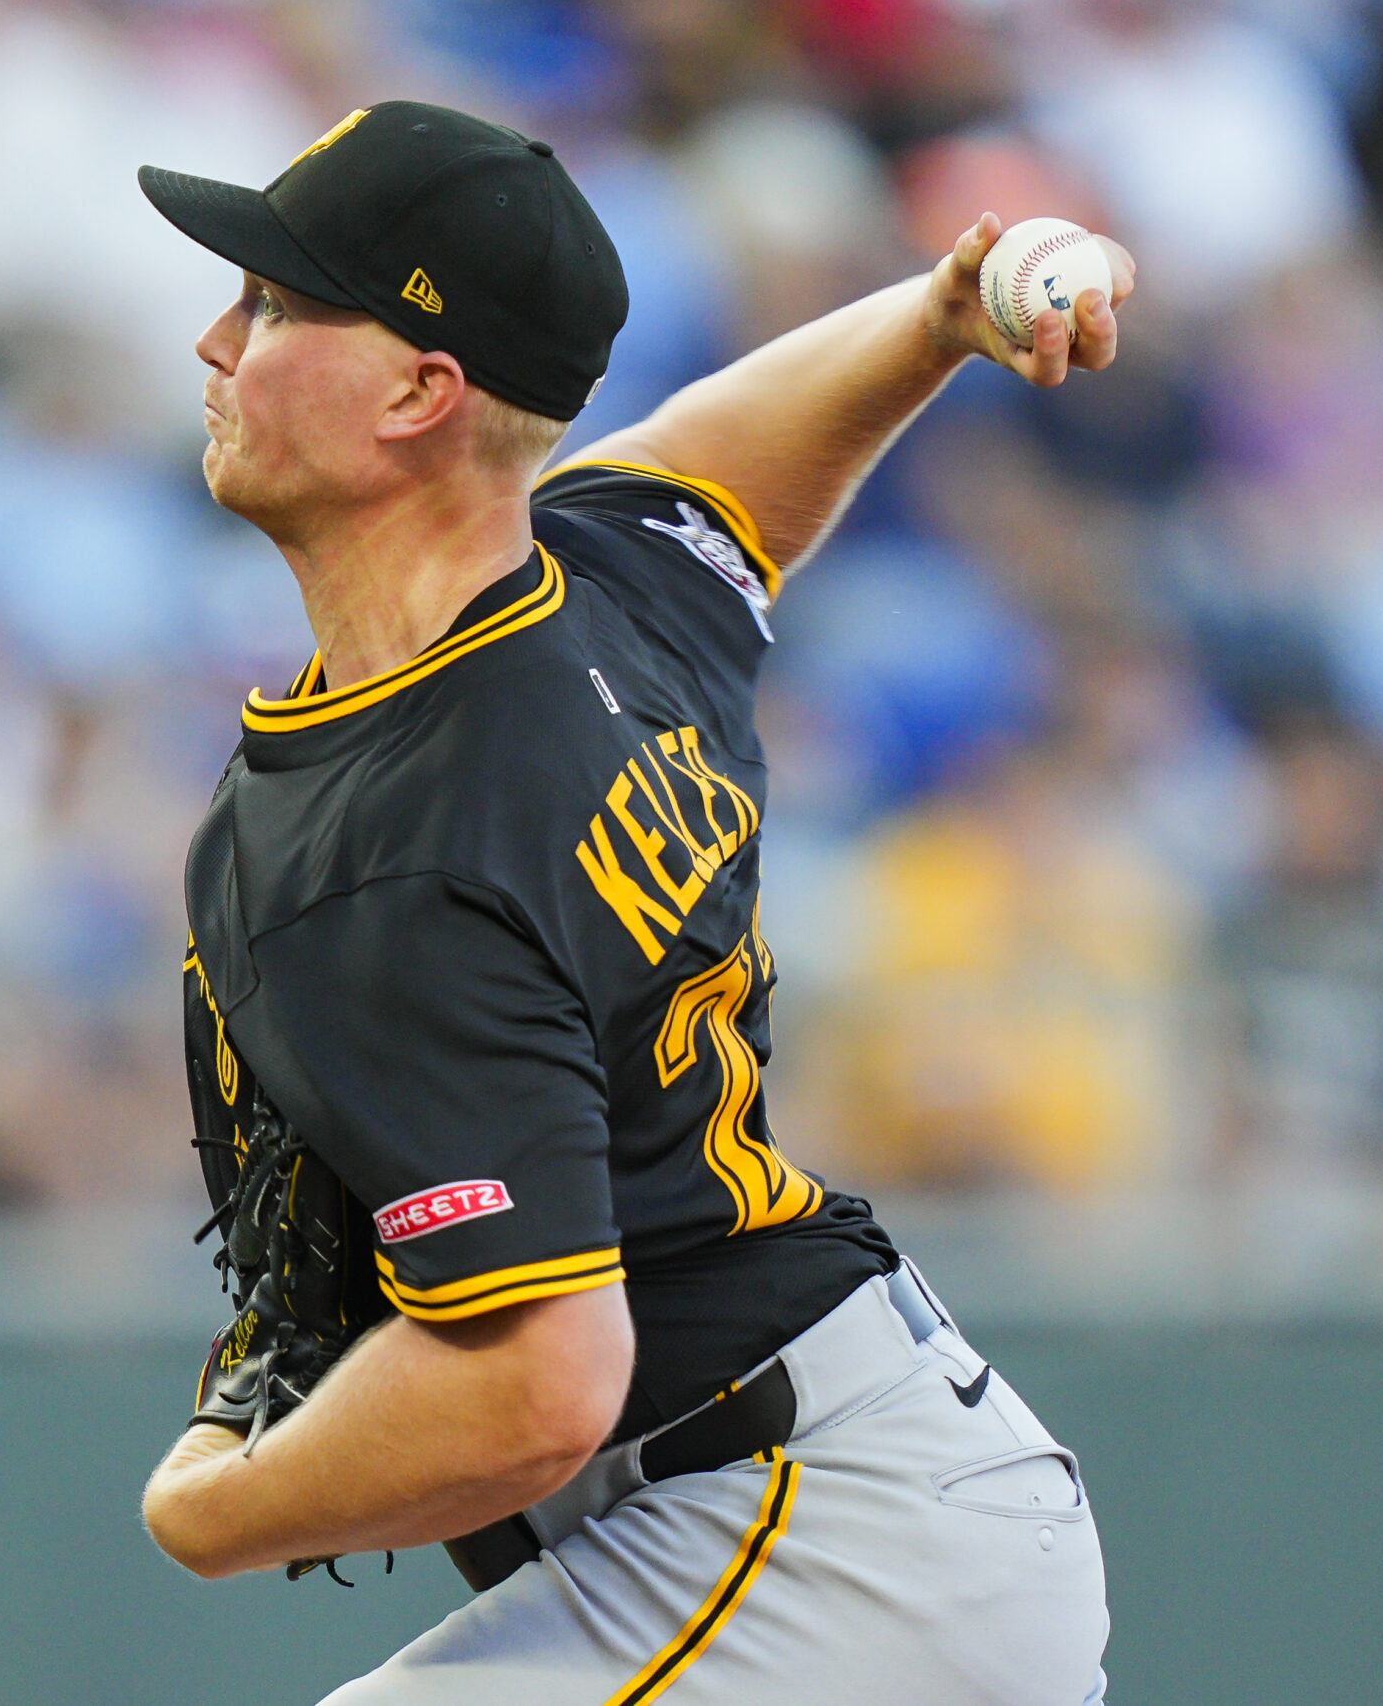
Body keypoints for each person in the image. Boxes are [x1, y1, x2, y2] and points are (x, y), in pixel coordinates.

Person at [135, 102, 1132, 1704]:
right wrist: (935, 317)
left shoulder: (391, 850)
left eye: (272, 302)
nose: (215, 334)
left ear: (417, 390)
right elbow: (729, 461)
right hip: (856, 1498)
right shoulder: (602, 584)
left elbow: (538, 1389)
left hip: (804, 1547)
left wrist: (207, 1510)